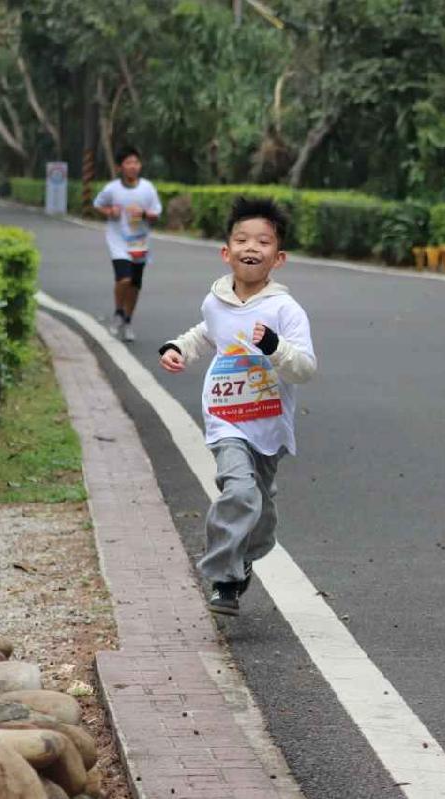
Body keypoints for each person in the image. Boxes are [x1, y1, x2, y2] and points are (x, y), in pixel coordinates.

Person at [157, 197, 317, 615]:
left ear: (278, 258)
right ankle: (223, 579)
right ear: (226, 252)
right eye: (242, 239)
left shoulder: (285, 310)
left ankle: (244, 557)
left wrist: (275, 347)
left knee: (260, 516)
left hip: (269, 424)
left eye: (263, 241)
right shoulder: (215, 301)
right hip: (225, 417)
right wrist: (178, 348)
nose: (252, 247)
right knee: (240, 492)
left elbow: (304, 369)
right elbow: (205, 333)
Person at [93, 146, 163, 342]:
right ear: (120, 167)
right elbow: (98, 204)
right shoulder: (112, 189)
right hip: (118, 241)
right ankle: (118, 312)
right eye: (128, 162)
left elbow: (156, 214)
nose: (133, 166)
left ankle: (128, 320)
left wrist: (144, 214)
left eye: (136, 162)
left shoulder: (147, 188)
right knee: (124, 279)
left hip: (140, 242)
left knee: (134, 285)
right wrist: (110, 212)